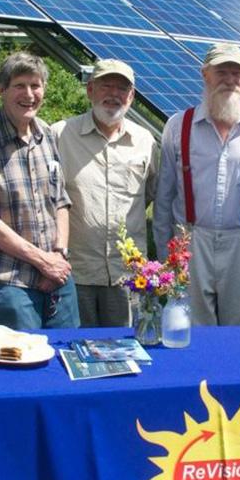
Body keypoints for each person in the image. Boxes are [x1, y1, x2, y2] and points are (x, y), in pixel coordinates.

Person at [154, 43, 240, 326]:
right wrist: (163, 256)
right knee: (190, 325)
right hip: (190, 239)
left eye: (237, 73)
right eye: (222, 72)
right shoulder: (178, 125)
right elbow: (164, 196)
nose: (230, 80)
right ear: (205, 75)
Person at [0, 51, 78, 329]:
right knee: (21, 364)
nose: (29, 94)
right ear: (2, 90)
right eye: (19, 86)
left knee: (69, 359)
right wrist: (42, 262)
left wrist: (58, 257)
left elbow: (60, 201)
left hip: (57, 276)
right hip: (9, 279)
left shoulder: (47, 135)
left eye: (35, 85)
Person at [51, 59, 157, 327]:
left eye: (122, 89)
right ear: (90, 90)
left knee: (128, 349)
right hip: (76, 272)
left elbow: (152, 193)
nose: (113, 94)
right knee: (77, 349)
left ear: (131, 96)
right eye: (105, 86)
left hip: (128, 273)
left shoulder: (145, 141)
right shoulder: (60, 134)